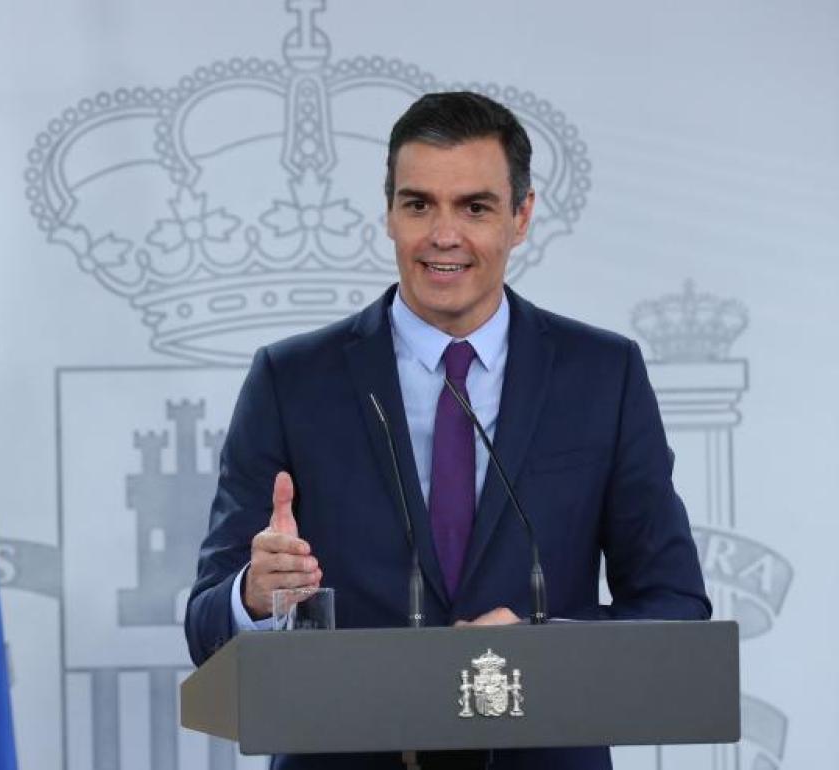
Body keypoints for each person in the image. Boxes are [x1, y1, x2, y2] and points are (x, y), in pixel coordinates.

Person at [184, 91, 711, 769]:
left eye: (475, 208)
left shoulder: (603, 376)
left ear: (522, 216)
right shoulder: (291, 381)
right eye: (418, 205)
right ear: (388, 213)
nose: (443, 235)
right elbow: (205, 626)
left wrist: (545, 649)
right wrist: (254, 597)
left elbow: (675, 607)